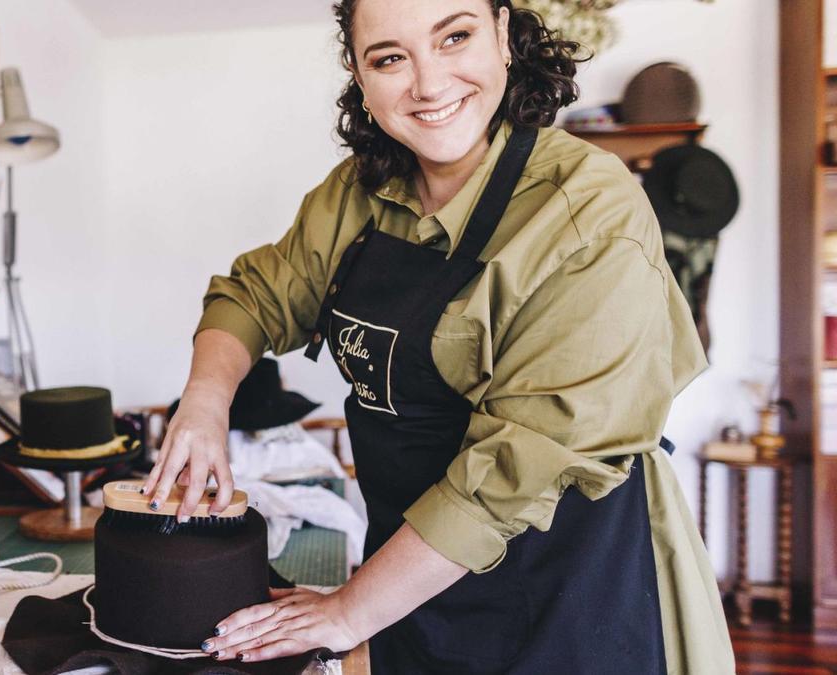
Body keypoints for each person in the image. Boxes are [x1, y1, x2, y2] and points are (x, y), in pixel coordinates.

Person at [140, 0, 735, 672]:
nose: (427, 84)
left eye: (454, 37)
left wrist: (345, 611)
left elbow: (513, 473)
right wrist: (205, 403)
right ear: (358, 75)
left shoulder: (589, 210)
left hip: (567, 599)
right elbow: (256, 294)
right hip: (412, 589)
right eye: (389, 57)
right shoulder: (360, 195)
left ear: (504, 35)